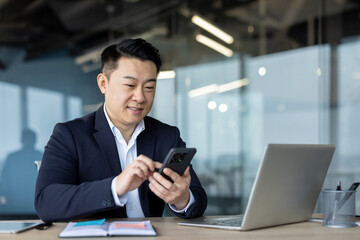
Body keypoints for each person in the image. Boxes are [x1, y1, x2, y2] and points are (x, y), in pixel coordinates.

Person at [35, 38, 207, 222]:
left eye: (149, 87)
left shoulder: (167, 136)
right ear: (103, 84)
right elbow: (46, 202)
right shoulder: (69, 135)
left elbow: (198, 200)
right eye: (130, 86)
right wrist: (115, 187)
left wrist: (182, 199)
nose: (140, 97)